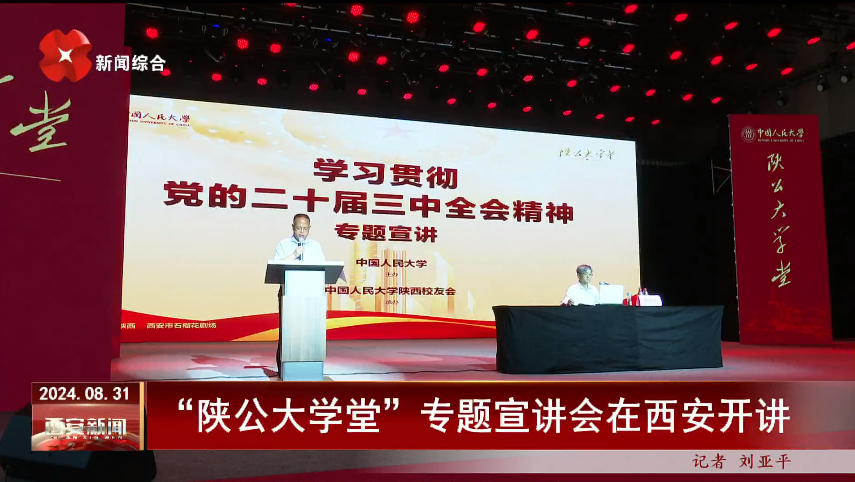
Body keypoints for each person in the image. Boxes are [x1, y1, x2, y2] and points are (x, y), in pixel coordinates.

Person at [273, 214, 325, 375]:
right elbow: (276, 266)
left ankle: (311, 368)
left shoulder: (316, 245)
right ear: (292, 227)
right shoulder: (283, 244)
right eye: (299, 228)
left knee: (311, 332)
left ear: (309, 228)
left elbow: (323, 267)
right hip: (288, 293)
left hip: (311, 296)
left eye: (305, 228)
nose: (302, 231)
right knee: (287, 332)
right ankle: (284, 370)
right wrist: (294, 255)